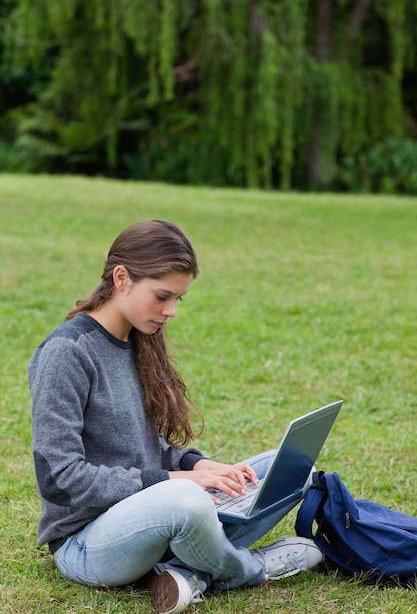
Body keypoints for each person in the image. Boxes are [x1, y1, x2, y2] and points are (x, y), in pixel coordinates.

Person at [29, 219, 323, 614]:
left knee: (291, 468)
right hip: (86, 542)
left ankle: (183, 572)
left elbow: (148, 447)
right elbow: (59, 479)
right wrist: (179, 480)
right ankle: (249, 569)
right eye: (162, 296)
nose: (170, 311)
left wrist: (198, 464)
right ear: (122, 278)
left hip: (157, 514)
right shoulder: (66, 353)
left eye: (177, 300)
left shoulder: (137, 339)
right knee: (187, 500)